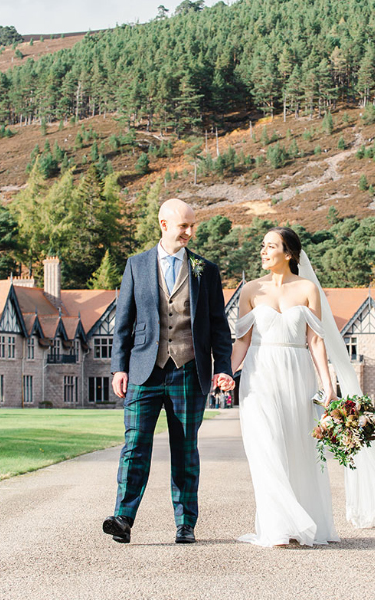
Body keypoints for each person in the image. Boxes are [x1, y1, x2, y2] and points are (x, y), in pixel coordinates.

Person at [231, 227, 375, 547]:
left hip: (297, 373)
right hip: (258, 376)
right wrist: (221, 373)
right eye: (262, 246)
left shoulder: (307, 289)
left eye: (270, 246)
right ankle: (278, 525)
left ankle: (301, 522)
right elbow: (241, 342)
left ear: (288, 253)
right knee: (265, 448)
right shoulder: (250, 290)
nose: (263, 251)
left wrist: (329, 385)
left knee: (297, 449)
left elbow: (316, 341)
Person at [104, 199, 235, 545]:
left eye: (193, 226)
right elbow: (123, 323)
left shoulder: (205, 270)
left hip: (189, 371)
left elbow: (220, 327)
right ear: (164, 225)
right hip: (144, 371)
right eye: (184, 226)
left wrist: (223, 368)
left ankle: (185, 523)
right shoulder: (136, 265)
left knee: (185, 449)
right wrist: (119, 367)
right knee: (134, 445)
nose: (190, 232)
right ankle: (123, 518)